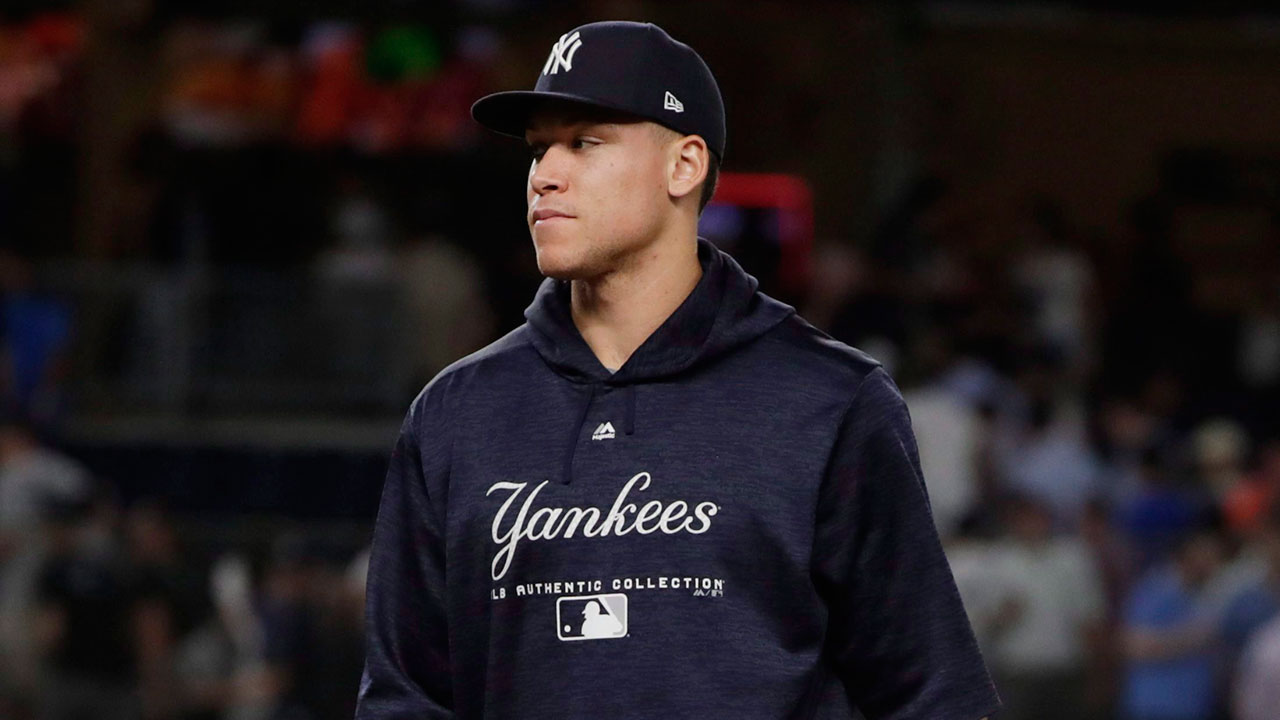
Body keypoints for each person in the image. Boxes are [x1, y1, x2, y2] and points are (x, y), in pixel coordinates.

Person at [354, 20, 1000, 720]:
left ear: (684, 166)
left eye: (584, 143)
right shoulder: (456, 413)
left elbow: (933, 695)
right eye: (539, 148)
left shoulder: (827, 402)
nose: (545, 174)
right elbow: (404, 699)